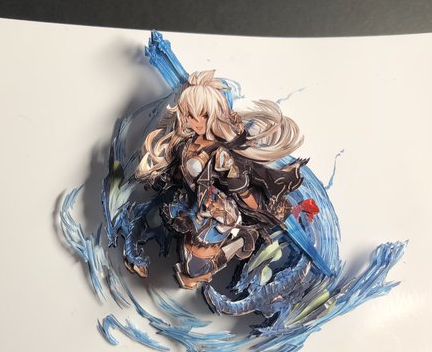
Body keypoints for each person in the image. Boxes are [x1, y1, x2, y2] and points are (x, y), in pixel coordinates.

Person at [132, 70, 311, 289]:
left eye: (202, 115)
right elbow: (181, 172)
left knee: (195, 268)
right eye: (189, 114)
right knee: (175, 240)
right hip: (189, 203)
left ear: (213, 114)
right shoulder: (187, 142)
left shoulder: (221, 154)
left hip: (216, 212)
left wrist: (256, 207)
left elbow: (241, 190)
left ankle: (243, 238)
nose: (195, 121)